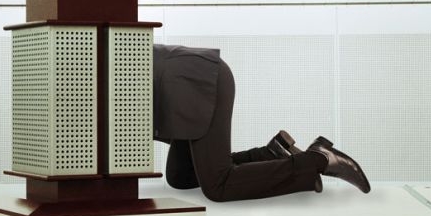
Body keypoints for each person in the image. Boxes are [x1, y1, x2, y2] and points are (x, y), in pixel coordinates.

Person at [152, 44, 371, 202]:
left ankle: (319, 160)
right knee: (181, 176)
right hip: (182, 84)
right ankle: (271, 155)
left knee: (218, 186)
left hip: (197, 83)